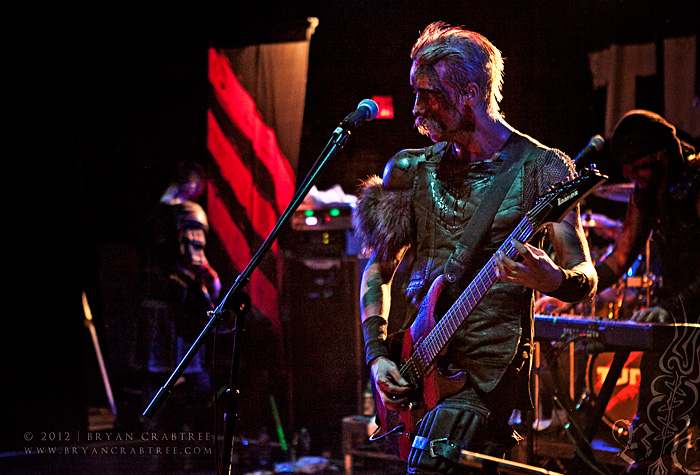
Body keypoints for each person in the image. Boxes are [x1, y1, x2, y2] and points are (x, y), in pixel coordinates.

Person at [353, 22, 598, 474]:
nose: (416, 108)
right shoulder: (410, 169)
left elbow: (585, 272)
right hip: (416, 367)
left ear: (469, 93)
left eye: (430, 95)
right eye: (415, 92)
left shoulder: (542, 169)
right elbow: (377, 269)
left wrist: (554, 280)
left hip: (488, 377)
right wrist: (377, 355)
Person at [591, 110, 700, 474]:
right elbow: (620, 257)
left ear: (662, 156)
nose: (627, 176)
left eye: (635, 165)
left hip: (688, 321)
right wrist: (571, 284)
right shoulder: (646, 193)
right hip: (670, 329)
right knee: (649, 446)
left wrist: (670, 310)